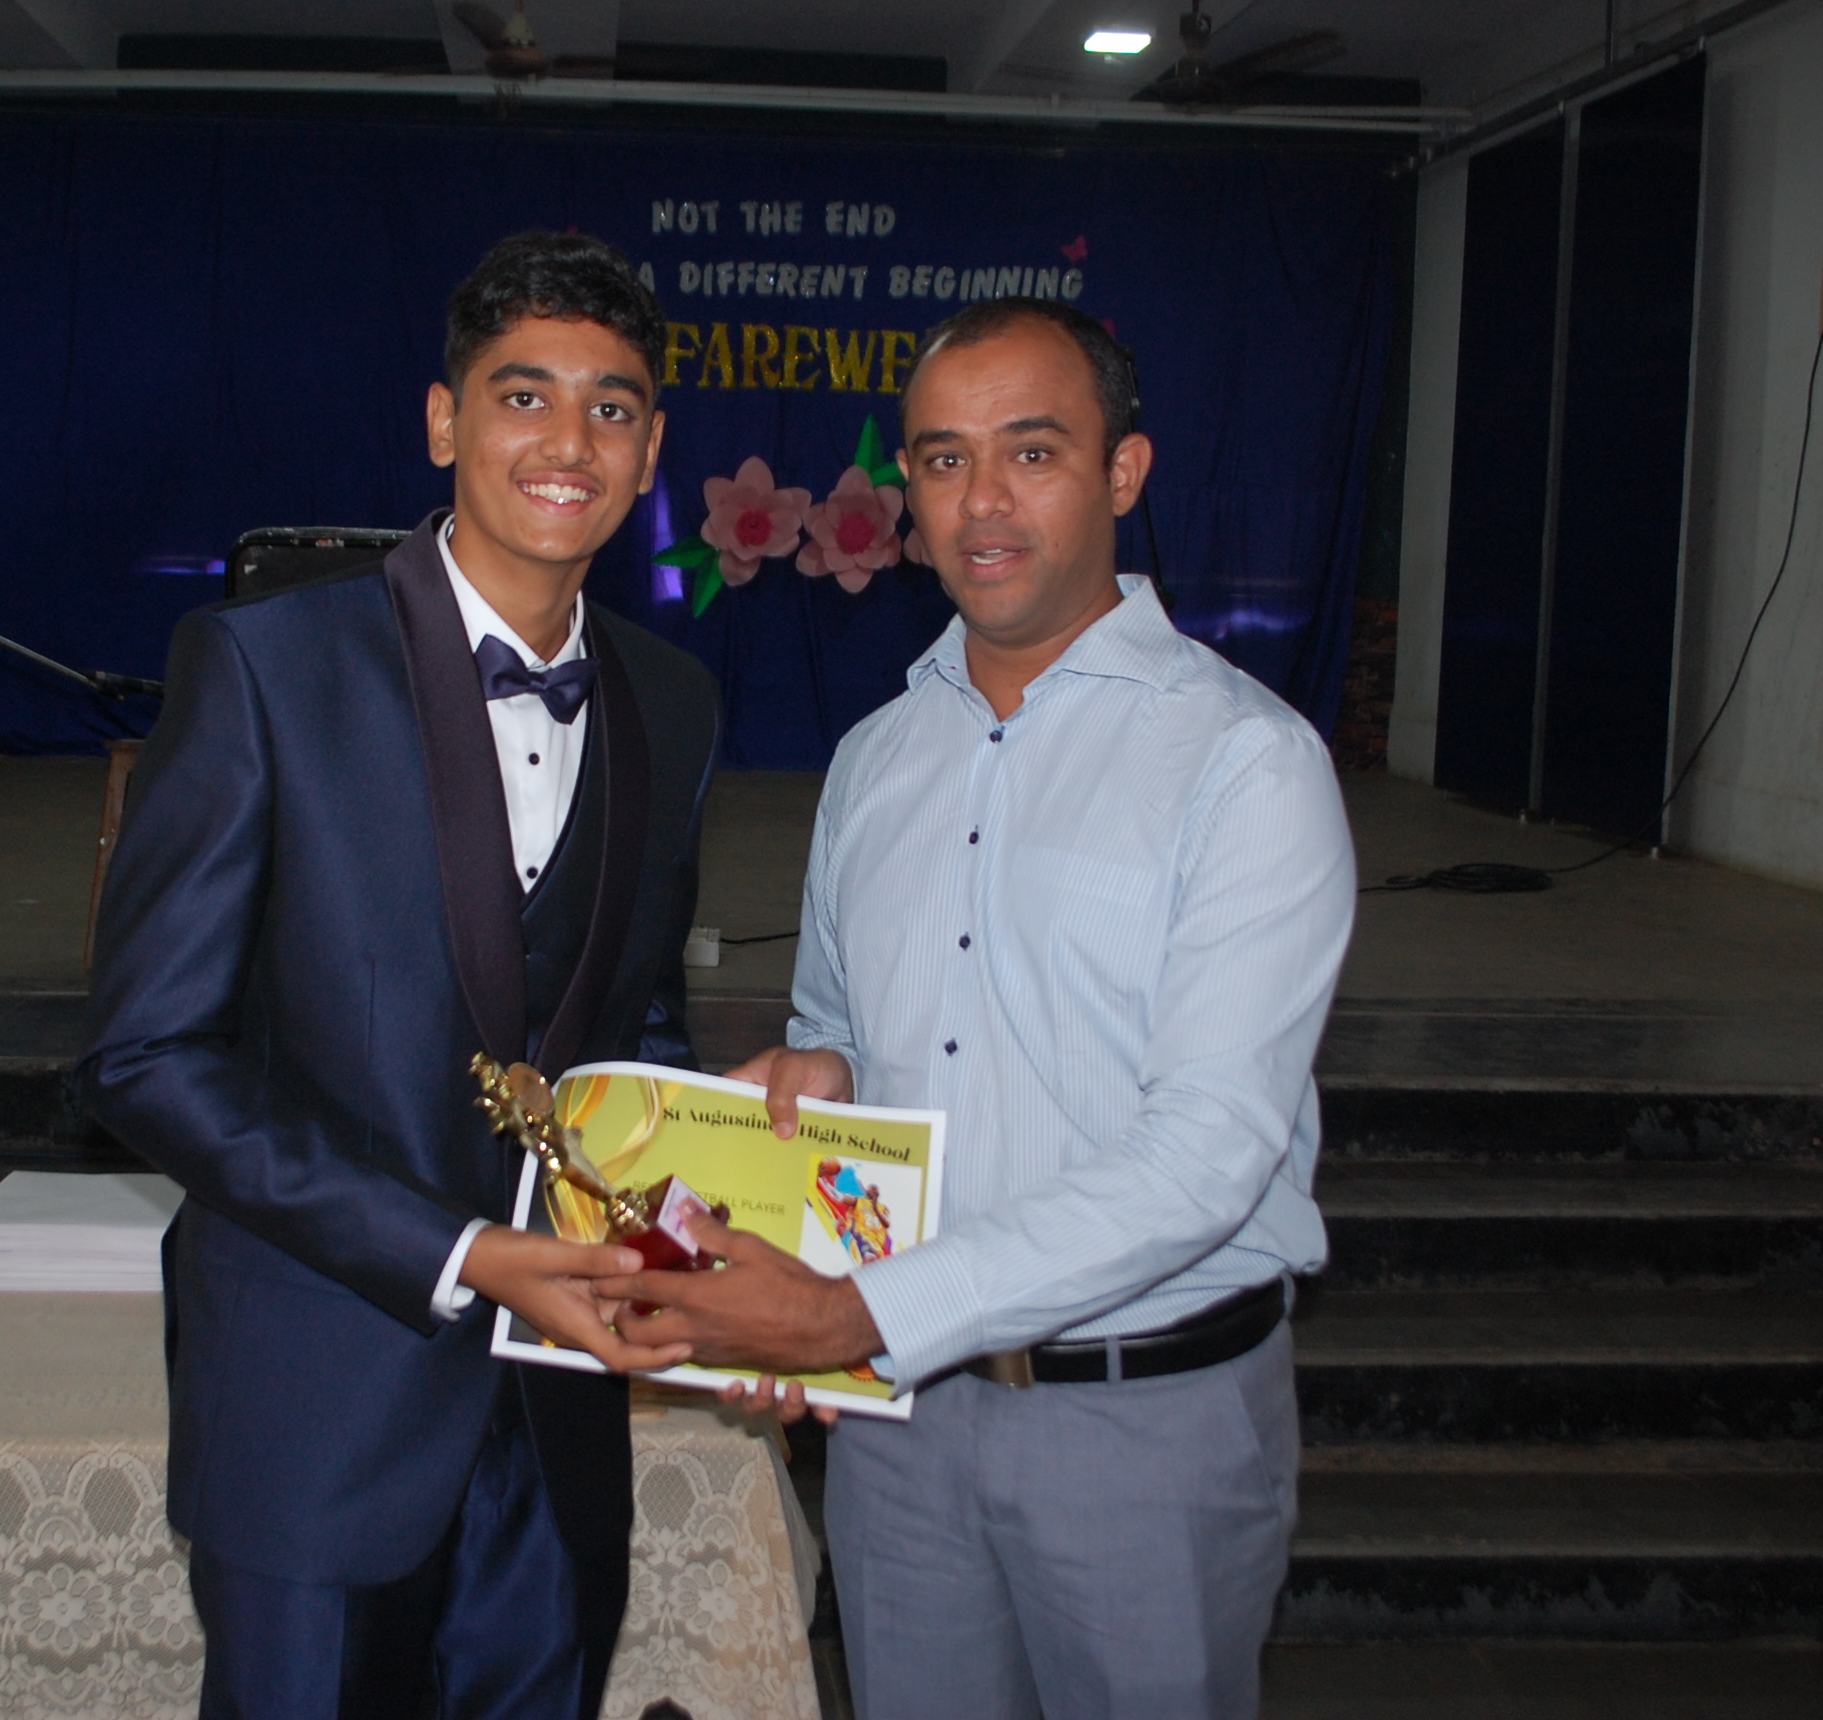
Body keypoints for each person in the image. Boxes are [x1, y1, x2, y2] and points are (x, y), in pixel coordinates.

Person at [606, 296, 1352, 1720]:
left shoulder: (1245, 764)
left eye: (1032, 451)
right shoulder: (877, 759)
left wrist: (847, 1312)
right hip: (900, 1432)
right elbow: (835, 1032)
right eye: (944, 459)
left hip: (1144, 1432)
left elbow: (1206, 1154)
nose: (983, 500)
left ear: (1123, 471)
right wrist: (822, 1079)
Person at [79, 230, 722, 1719]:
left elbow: (636, 1029)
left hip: (559, 1419)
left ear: (651, 450)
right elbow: (142, 1056)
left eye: (612, 408)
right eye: (522, 396)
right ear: (444, 421)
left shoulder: (674, 698)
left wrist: (713, 1239)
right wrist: (460, 1253)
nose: (568, 442)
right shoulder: (264, 667)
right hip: (318, 1413)